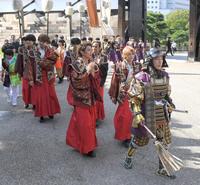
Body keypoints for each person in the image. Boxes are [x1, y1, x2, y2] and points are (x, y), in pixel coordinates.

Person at [123, 48, 176, 179]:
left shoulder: (165, 76)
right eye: (156, 59)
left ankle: (162, 168)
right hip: (146, 115)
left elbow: (166, 95)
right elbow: (134, 98)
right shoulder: (141, 77)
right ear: (150, 60)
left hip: (161, 115)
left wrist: (170, 103)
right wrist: (137, 114)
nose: (159, 61)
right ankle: (128, 158)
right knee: (138, 141)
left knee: (163, 143)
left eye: (161, 59)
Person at [66, 42, 101, 157]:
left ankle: (79, 142)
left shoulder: (90, 62)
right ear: (82, 52)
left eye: (91, 50)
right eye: (88, 50)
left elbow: (95, 79)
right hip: (81, 99)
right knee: (85, 124)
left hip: (90, 97)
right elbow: (76, 81)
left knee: (88, 123)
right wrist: (88, 70)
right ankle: (88, 148)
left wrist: (95, 71)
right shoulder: (77, 64)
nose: (91, 52)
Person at [109, 46, 135, 148]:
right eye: (129, 54)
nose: (131, 56)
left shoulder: (135, 65)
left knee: (132, 115)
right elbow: (115, 81)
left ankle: (128, 134)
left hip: (134, 93)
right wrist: (115, 93)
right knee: (124, 116)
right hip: (124, 94)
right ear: (124, 55)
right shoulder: (120, 65)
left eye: (132, 54)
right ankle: (125, 136)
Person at [33, 34, 61, 122]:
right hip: (39, 75)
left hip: (49, 75)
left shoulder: (51, 50)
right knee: (41, 95)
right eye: (40, 41)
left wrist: (42, 62)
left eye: (43, 41)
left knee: (50, 94)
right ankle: (41, 114)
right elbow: (33, 63)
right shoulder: (35, 50)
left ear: (46, 42)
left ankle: (51, 112)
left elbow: (52, 62)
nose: (41, 43)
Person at [15, 34, 37, 109]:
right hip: (25, 71)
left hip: (35, 72)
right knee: (26, 88)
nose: (28, 42)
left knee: (34, 88)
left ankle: (34, 103)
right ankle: (26, 102)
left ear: (34, 41)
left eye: (30, 40)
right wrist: (19, 72)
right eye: (27, 40)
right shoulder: (21, 49)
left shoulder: (36, 49)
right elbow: (19, 61)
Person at [92, 40, 108, 122]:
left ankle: (97, 117)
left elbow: (105, 70)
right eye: (93, 46)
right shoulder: (90, 55)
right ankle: (93, 116)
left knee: (98, 98)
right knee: (92, 98)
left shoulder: (103, 57)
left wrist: (102, 82)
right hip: (91, 80)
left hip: (99, 80)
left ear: (100, 48)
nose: (94, 48)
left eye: (96, 46)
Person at [63, 38, 81, 106]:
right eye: (74, 44)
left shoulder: (82, 51)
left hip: (80, 72)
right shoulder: (69, 53)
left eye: (76, 44)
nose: (75, 46)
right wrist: (67, 75)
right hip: (74, 72)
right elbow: (67, 63)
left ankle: (78, 101)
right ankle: (75, 101)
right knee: (74, 88)